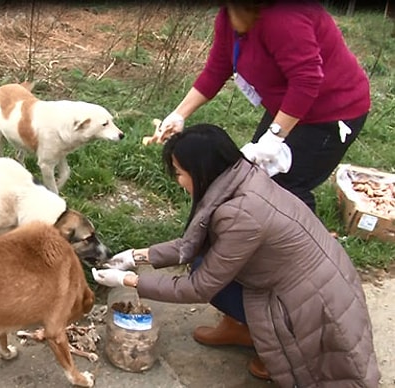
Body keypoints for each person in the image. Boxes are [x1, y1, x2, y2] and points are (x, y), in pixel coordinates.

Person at [93, 124, 380, 386]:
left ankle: (272, 346)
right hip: (306, 278)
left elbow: (198, 288)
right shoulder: (241, 176)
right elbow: (192, 244)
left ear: (201, 170)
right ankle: (244, 329)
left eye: (179, 173)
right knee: (203, 262)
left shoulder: (241, 214)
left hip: (308, 306)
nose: (178, 181)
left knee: (206, 274)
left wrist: (127, 280)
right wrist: (136, 256)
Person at [148, 0, 370, 213]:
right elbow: (217, 70)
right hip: (288, 106)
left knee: (284, 189)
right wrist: (179, 114)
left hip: (331, 113)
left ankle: (304, 245)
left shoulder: (283, 16)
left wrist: (274, 137)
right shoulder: (230, 16)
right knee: (253, 177)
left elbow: (306, 80)